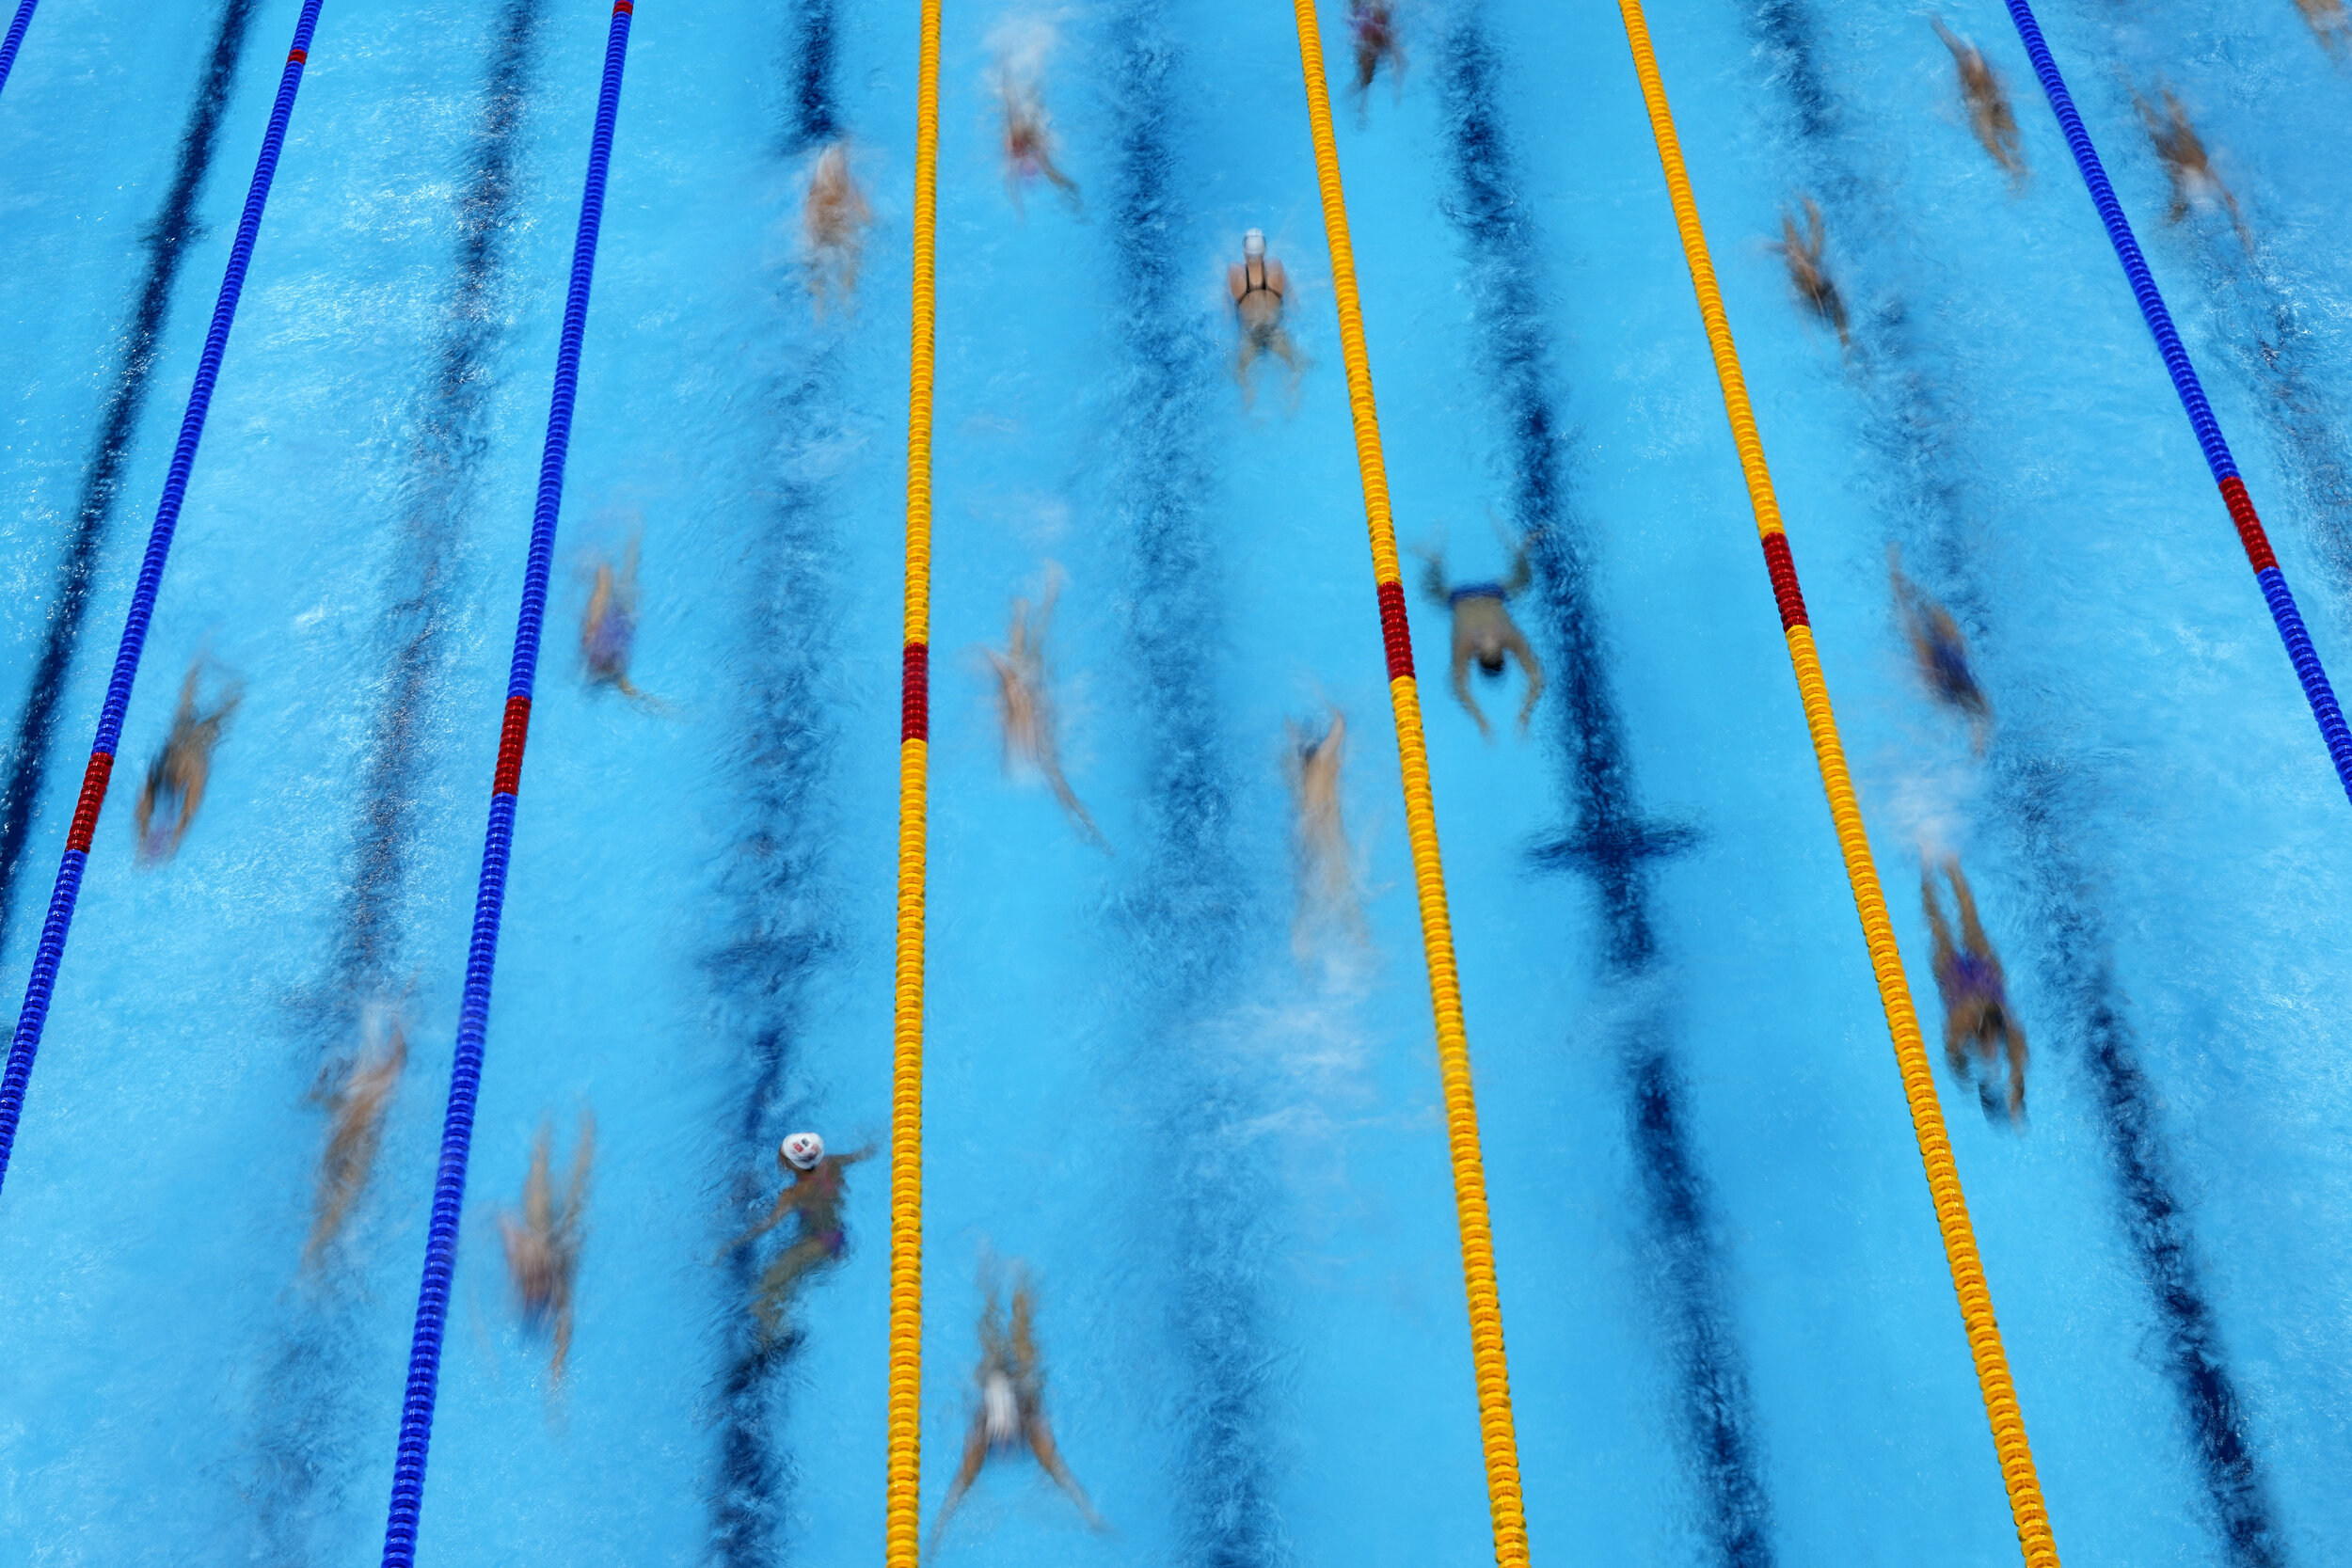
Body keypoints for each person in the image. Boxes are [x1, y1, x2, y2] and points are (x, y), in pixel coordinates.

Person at [927, 1264, 1104, 1559]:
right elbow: (1061, 1474)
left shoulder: (987, 1439)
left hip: (1006, 1384)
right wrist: (1090, 1515)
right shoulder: (1029, 1435)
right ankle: (1016, 1279)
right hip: (1023, 1383)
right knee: (1021, 1337)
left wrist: (937, 1533)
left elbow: (958, 1489)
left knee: (994, 1339)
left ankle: (993, 1281)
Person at [986, 564, 1106, 849]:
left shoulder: (1034, 746)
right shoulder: (1043, 755)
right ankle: (1046, 593)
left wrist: (1087, 826)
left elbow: (1009, 688)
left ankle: (1036, 600)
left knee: (1028, 649)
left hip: (1025, 690)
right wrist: (1087, 827)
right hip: (1029, 690)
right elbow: (1065, 794)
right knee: (1034, 645)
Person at [723, 1132, 871, 1337]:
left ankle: (775, 1340)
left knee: (762, 1293)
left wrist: (731, 1244)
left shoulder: (794, 1193)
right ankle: (780, 1331)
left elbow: (767, 1224)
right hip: (838, 1237)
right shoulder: (832, 1163)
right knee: (787, 1285)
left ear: (792, 1165)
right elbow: (862, 1154)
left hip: (814, 1246)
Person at [1922, 857, 2026, 1124]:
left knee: (1938, 926)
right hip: (1985, 973)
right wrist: (2014, 1094)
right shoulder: (1984, 1026)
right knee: (1969, 918)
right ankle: (1950, 867)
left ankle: (1928, 873)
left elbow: (1954, 1053)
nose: (1993, 1048)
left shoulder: (1965, 1029)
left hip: (1953, 976)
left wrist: (2014, 1096)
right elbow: (2015, 1066)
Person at [304, 1012, 407, 1265]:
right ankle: (315, 1257)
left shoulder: (365, 1092)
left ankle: (315, 1257)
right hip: (355, 1141)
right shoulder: (372, 1089)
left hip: (354, 1141)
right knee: (336, 1207)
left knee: (334, 1207)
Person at [501, 1112, 595, 1382]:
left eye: (537, 1284)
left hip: (558, 1242)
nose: (535, 1289)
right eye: (533, 1285)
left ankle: (583, 1132)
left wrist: (558, 1362)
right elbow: (564, 1322)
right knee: (547, 1190)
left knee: (570, 1187)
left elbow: (565, 1325)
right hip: (550, 1239)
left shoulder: (551, 1281)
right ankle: (548, 1132)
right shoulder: (524, 1264)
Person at [1417, 540, 1544, 738]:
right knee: (1523, 582)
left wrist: (1480, 719)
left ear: (1477, 653)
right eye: (1494, 644)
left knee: (1431, 592)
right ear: (1502, 650)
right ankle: (1521, 550)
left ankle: (1434, 561)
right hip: (1493, 593)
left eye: (1484, 644)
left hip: (1458, 597)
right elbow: (1537, 677)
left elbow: (1459, 686)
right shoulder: (1510, 638)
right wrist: (1525, 711)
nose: (1489, 637)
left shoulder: (1465, 645)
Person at [134, 660, 240, 865]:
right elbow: (146, 807)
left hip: (197, 737)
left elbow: (187, 811)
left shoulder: (191, 770)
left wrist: (171, 839)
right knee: (193, 705)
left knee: (209, 705)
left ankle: (198, 664)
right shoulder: (164, 773)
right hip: (189, 738)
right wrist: (148, 836)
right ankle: (198, 664)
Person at [1890, 545, 1992, 752]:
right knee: (1927, 619)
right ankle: (1898, 578)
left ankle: (1897, 577)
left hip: (1945, 676)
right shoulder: (1953, 656)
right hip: (1953, 669)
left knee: (1916, 624)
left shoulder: (1939, 681)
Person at [2134, 86, 2251, 252]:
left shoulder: (2202, 189)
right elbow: (2232, 206)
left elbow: (2231, 206)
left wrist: (2162, 228)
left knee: (2173, 128)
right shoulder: (2204, 188)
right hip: (2185, 160)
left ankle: (2154, 86)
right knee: (2165, 128)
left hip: (2188, 161)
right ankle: (2149, 88)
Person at [1286, 706, 1362, 958]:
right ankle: (1365, 954)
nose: (1340, 761)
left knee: (1308, 903)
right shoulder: (1321, 765)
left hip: (1307, 845)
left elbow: (1298, 751)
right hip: (1328, 848)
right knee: (1346, 906)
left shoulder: (1302, 778)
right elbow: (1339, 727)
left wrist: (1293, 732)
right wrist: (1335, 709)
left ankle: (1303, 958)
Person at [1931, 19, 2024, 179]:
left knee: (1991, 142)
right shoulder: (1984, 70)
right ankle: (2018, 168)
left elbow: (1954, 45)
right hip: (1994, 98)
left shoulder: (1966, 63)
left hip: (1981, 105)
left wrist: (1938, 25)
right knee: (2009, 137)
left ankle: (2014, 170)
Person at [1228, 229, 1304, 399]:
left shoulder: (1234, 272)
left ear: (1244, 251)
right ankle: (1293, 397)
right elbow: (1294, 304)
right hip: (1275, 332)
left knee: (1240, 375)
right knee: (1296, 366)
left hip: (1250, 335)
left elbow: (1227, 313)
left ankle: (1249, 400)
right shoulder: (1277, 267)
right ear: (1264, 251)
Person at [1771, 197, 1849, 351]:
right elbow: (1817, 229)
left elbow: (1789, 248)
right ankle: (1788, 212)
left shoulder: (1801, 279)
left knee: (1796, 245)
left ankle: (1786, 212)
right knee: (1807, 250)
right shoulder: (1812, 263)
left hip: (1817, 296)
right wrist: (1813, 212)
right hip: (1821, 295)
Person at [582, 537, 653, 703]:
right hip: (620, 620)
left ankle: (634, 537)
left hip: (617, 622)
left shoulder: (593, 643)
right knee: (626, 572)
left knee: (619, 576)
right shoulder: (614, 668)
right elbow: (630, 690)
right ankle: (635, 536)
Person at [806, 141, 872, 316]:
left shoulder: (816, 190)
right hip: (835, 224)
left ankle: (821, 311)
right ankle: (846, 309)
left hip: (825, 225)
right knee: (848, 267)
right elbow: (868, 217)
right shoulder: (847, 186)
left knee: (818, 275)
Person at [1000, 76, 1079, 211]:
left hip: (1023, 139)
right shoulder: (1031, 155)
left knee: (1018, 113)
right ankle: (1028, 88)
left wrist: (1019, 209)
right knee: (1028, 115)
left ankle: (1019, 84)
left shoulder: (1016, 150)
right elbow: (1051, 174)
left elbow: (1011, 184)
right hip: (1027, 141)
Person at [1348, 0, 1405, 115]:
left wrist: (1361, 108)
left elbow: (1365, 81)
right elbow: (1399, 61)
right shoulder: (1383, 39)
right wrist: (1397, 91)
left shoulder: (1361, 34)